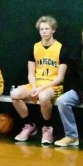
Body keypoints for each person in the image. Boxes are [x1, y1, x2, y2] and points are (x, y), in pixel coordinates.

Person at [12, 15, 68, 145]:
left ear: (53, 30)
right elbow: (31, 73)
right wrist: (34, 87)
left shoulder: (62, 49)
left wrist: (41, 89)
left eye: (47, 29)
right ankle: (29, 125)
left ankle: (47, 127)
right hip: (36, 84)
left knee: (43, 96)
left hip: (53, 86)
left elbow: (60, 78)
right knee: (15, 94)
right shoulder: (34, 47)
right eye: (42, 29)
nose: (44, 32)